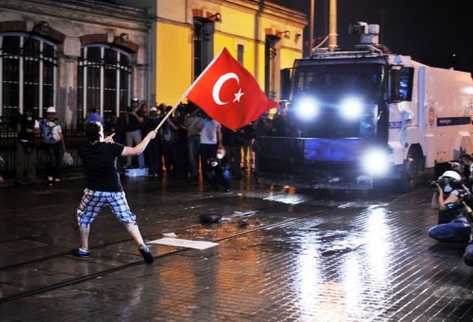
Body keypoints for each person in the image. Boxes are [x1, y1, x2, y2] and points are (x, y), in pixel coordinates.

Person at [74, 122, 156, 263]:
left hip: (93, 191)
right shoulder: (111, 148)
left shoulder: (83, 149)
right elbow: (137, 150)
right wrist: (148, 136)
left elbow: (96, 148)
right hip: (114, 191)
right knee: (127, 219)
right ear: (100, 134)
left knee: (83, 216)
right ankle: (142, 245)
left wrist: (104, 142)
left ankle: (84, 248)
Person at [40, 107, 65, 185]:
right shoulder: (43, 123)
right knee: (52, 161)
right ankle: (50, 176)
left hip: (58, 144)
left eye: (53, 114)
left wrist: (63, 145)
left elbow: (61, 135)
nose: (51, 116)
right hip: (49, 144)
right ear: (47, 115)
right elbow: (38, 130)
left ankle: (57, 176)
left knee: (58, 161)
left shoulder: (57, 123)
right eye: (50, 114)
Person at [16, 109, 40, 184]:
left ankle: (31, 178)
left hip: (31, 143)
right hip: (21, 142)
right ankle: (19, 179)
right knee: (20, 162)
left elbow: (38, 131)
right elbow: (18, 130)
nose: (28, 114)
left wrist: (31, 131)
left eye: (30, 113)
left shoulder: (35, 120)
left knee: (32, 162)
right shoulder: (21, 119)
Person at [183, 106, 204, 180]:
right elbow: (186, 125)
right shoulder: (197, 119)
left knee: (193, 155)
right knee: (193, 156)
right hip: (193, 137)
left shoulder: (198, 119)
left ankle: (195, 171)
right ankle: (195, 171)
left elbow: (200, 128)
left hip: (196, 137)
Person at [200, 114, 222, 182]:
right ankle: (205, 177)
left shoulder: (217, 121)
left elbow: (219, 132)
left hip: (213, 144)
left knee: (213, 161)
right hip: (203, 143)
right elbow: (198, 128)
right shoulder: (202, 121)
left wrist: (220, 143)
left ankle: (212, 176)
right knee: (204, 161)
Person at [125, 99, 145, 168]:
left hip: (136, 131)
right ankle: (128, 163)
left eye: (135, 102)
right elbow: (127, 120)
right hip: (128, 131)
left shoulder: (139, 111)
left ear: (137, 103)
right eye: (133, 102)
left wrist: (135, 114)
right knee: (128, 148)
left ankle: (141, 165)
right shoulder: (129, 110)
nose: (134, 104)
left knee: (139, 147)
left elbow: (141, 120)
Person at [144, 107, 162, 177]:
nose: (153, 113)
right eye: (152, 112)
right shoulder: (148, 119)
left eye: (154, 112)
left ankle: (156, 171)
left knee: (155, 155)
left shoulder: (158, 120)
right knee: (151, 155)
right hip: (149, 140)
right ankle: (152, 171)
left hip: (156, 140)